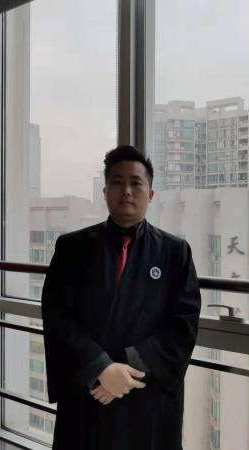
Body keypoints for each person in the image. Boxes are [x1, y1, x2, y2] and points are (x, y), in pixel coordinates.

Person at [41, 145, 201, 449]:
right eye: (117, 182)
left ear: (150, 194)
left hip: (146, 393)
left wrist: (124, 370)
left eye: (136, 183)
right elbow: (57, 316)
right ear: (105, 192)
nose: (126, 191)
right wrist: (100, 368)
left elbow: (183, 326)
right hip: (89, 390)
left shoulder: (174, 253)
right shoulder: (72, 248)